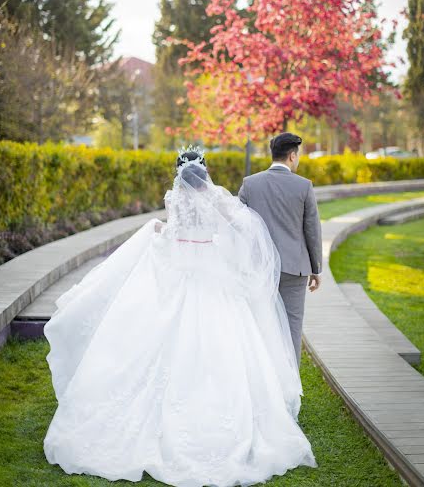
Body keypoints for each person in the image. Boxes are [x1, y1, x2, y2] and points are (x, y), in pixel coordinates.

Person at [43, 145, 318, 487]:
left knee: (163, 341)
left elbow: (172, 236)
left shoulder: (173, 199)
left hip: (182, 276)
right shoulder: (217, 197)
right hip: (213, 276)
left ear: (179, 172)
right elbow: (242, 225)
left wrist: (156, 233)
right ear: (205, 172)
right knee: (225, 345)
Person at [238, 133, 323, 368]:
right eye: (299, 156)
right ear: (292, 156)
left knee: (261, 326)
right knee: (293, 328)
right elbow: (312, 230)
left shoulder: (250, 184)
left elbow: (237, 224)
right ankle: (290, 389)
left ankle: (265, 384)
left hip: (259, 268)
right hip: (294, 269)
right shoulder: (304, 186)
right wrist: (316, 269)